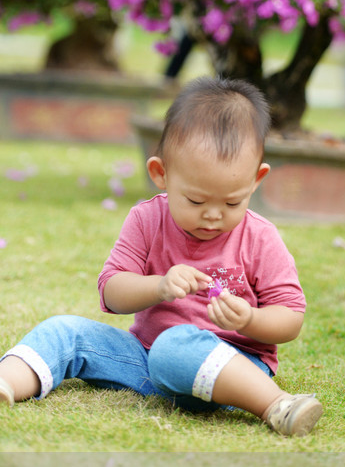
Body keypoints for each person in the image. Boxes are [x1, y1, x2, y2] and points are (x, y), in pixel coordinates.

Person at [0, 76, 322, 437]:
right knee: (66, 331)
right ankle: (7, 382)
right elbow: (111, 291)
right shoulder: (146, 219)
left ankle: (277, 405)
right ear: (161, 174)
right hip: (146, 359)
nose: (213, 215)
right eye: (196, 201)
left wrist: (248, 320)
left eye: (233, 201)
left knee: (175, 346)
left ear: (256, 179)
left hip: (232, 372)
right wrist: (159, 286)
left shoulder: (260, 237)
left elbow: (290, 317)